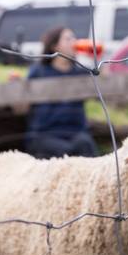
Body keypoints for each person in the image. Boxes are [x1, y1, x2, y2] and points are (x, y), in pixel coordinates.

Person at [22, 27, 98, 159]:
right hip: (44, 134)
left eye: (74, 38)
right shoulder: (39, 72)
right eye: (68, 39)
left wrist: (98, 58)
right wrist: (17, 86)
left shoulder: (81, 73)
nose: (74, 42)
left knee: (85, 144)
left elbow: (104, 89)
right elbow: (23, 106)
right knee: (68, 151)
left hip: (76, 132)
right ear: (54, 46)